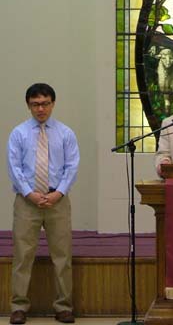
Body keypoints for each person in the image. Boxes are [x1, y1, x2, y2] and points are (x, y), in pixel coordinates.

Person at [7, 83, 80, 324]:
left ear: (53, 103)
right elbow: (14, 167)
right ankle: (18, 307)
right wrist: (30, 193)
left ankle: (63, 306)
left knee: (62, 256)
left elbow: (72, 166)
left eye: (45, 103)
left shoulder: (65, 133)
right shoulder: (18, 134)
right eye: (36, 104)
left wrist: (59, 192)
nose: (41, 109)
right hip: (27, 202)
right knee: (22, 256)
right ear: (28, 105)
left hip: (57, 201)